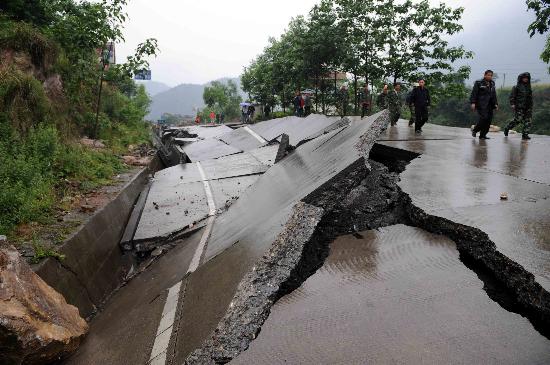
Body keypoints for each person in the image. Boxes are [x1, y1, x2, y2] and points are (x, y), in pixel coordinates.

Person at [470, 70, 499, 140]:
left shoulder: (492, 83)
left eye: (491, 75)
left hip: (490, 105)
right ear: (485, 75)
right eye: (488, 75)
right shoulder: (479, 83)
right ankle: (475, 130)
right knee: (484, 118)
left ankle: (483, 135)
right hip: (481, 104)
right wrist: (473, 103)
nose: (490, 76)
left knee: (488, 120)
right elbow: (474, 93)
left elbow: (493, 94)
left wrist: (496, 104)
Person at [504, 72, 533, 140]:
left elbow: (530, 97)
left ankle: (525, 134)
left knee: (528, 120)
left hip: (528, 107)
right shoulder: (516, 87)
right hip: (519, 106)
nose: (526, 79)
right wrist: (512, 104)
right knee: (518, 119)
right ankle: (507, 128)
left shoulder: (529, 87)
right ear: (521, 78)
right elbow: (512, 96)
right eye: (524, 78)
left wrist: (531, 106)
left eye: (527, 78)